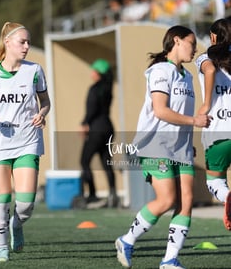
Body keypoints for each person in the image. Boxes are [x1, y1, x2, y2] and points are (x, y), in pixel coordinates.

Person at [115, 25, 212, 269]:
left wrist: (188, 142)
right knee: (167, 199)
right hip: (155, 145)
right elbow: (161, 110)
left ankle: (169, 260)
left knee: (187, 201)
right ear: (176, 41)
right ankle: (127, 240)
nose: (195, 49)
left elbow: (182, 112)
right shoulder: (160, 70)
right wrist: (194, 121)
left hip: (181, 149)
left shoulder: (187, 76)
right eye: (191, 43)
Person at [0, 21, 51, 262]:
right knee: (2, 198)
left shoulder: (34, 70)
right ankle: (2, 247)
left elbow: (45, 101)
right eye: (22, 42)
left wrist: (42, 114)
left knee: (25, 204)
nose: (27, 46)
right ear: (7, 43)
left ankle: (17, 224)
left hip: (27, 141)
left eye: (28, 42)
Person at [195, 18, 231, 231]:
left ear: (214, 37)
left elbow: (209, 71)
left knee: (214, 182)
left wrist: (206, 104)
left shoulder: (204, 58)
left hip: (218, 132)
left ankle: (227, 197)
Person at [79, 58, 117, 208]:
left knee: (84, 161)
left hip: (96, 129)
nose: (92, 73)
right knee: (107, 162)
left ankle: (93, 195)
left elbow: (91, 110)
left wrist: (84, 124)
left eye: (94, 70)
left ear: (99, 73)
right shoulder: (108, 89)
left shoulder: (94, 89)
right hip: (108, 128)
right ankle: (113, 195)